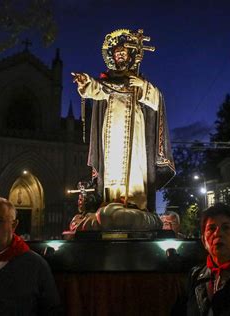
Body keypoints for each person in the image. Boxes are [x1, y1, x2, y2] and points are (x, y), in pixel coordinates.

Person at [71, 29, 175, 216]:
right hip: (111, 132)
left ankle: (136, 204)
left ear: (130, 55)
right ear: (112, 57)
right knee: (112, 168)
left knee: (135, 165)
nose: (119, 54)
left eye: (123, 52)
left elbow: (157, 101)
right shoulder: (107, 81)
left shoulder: (138, 80)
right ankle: (111, 202)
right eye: (116, 52)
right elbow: (95, 89)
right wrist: (85, 82)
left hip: (135, 132)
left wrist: (143, 86)